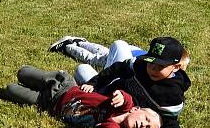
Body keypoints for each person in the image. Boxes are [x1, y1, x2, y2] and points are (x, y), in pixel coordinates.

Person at [0, 66, 162, 128]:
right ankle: (32, 76)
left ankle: (22, 89)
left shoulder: (113, 127)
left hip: (48, 103)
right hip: (63, 86)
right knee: (23, 72)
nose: (144, 125)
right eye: (146, 119)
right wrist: (120, 95)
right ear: (136, 109)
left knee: (10, 89)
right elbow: (124, 97)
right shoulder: (124, 105)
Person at [79, 37, 191, 128]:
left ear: (176, 67)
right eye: (151, 62)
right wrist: (94, 82)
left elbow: (170, 118)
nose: (153, 69)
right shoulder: (141, 64)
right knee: (119, 44)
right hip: (113, 83)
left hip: (108, 98)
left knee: (82, 69)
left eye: (160, 66)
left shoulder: (172, 94)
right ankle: (77, 43)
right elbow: (118, 68)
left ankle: (99, 55)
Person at [48, 36, 191, 84]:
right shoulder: (149, 61)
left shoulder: (152, 59)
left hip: (119, 58)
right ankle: (75, 43)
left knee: (95, 56)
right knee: (95, 55)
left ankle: (70, 45)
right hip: (121, 60)